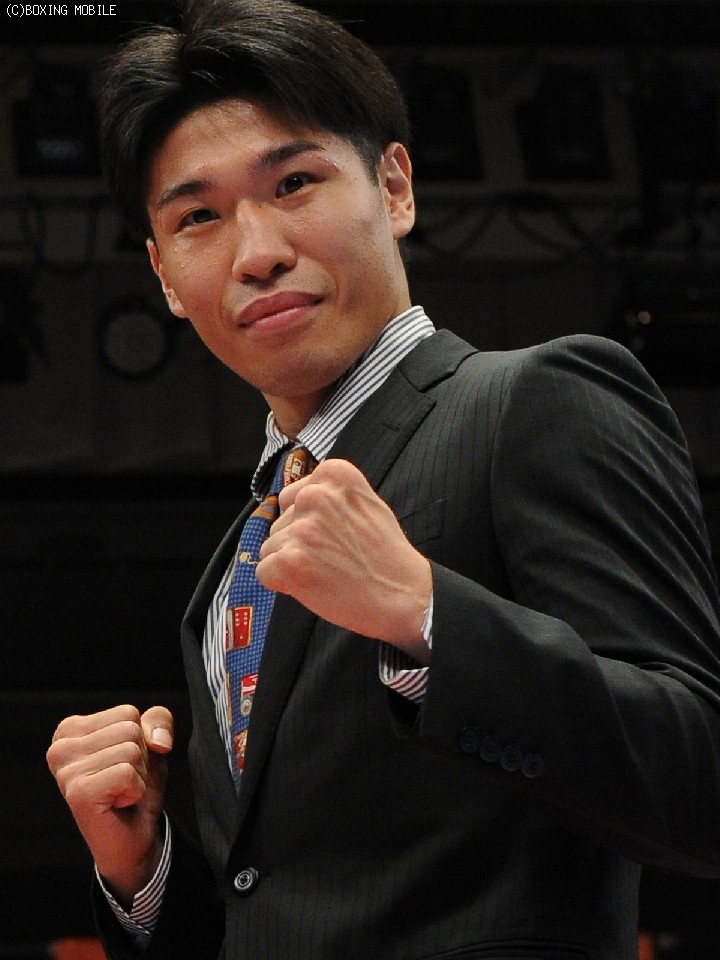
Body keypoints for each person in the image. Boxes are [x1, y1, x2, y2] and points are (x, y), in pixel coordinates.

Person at [47, 1, 720, 958]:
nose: (257, 252)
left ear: (394, 187)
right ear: (163, 275)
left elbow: (700, 780)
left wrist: (425, 612)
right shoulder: (230, 576)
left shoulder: (534, 401)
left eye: (294, 182)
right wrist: (142, 870)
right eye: (199, 216)